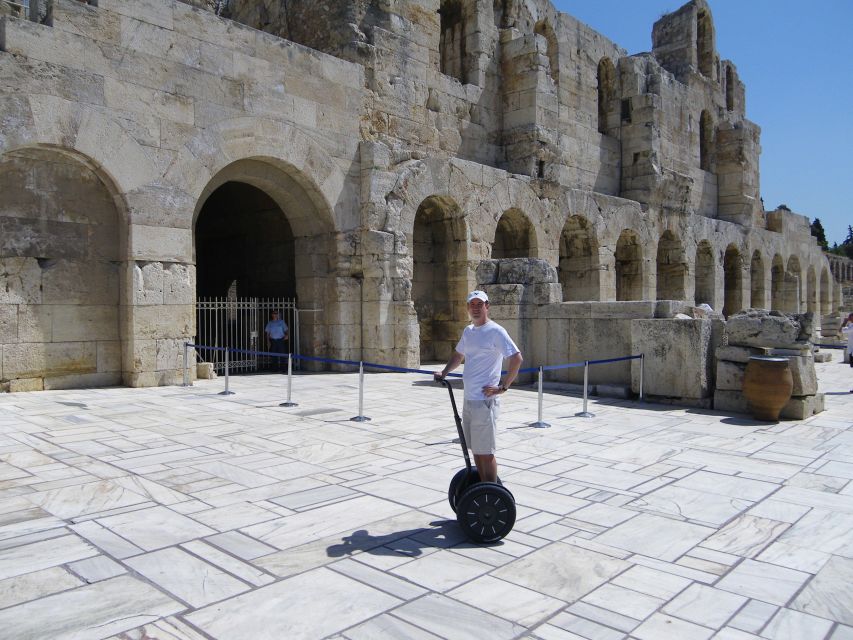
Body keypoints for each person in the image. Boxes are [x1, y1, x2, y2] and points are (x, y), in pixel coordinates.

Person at [434, 290, 523, 484]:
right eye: (471, 305)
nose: (475, 308)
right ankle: (482, 487)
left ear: (487, 306)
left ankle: (491, 493)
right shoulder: (469, 331)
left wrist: (503, 387)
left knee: (486, 452)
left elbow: (516, 358)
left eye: (479, 304)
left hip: (485, 402)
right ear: (467, 308)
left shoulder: (496, 331)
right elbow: (458, 356)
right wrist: (444, 372)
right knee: (475, 448)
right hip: (469, 399)